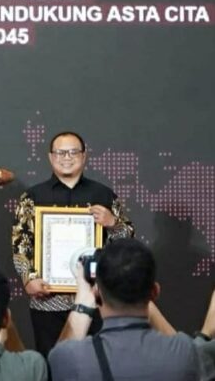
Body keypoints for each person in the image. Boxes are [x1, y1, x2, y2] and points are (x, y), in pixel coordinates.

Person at [48, 239, 200, 381]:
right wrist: (141, 294)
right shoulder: (183, 352)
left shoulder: (69, 358)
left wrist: (84, 300)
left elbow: (58, 361)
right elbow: (185, 348)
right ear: (154, 292)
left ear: (97, 293)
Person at [12, 131, 134, 357]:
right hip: (48, 300)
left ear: (84, 156)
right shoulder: (32, 197)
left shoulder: (104, 195)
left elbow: (127, 245)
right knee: (51, 363)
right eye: (60, 152)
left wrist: (113, 223)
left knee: (99, 363)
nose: (66, 158)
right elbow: (20, 244)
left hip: (97, 299)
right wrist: (28, 278)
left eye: (73, 152)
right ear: (50, 157)